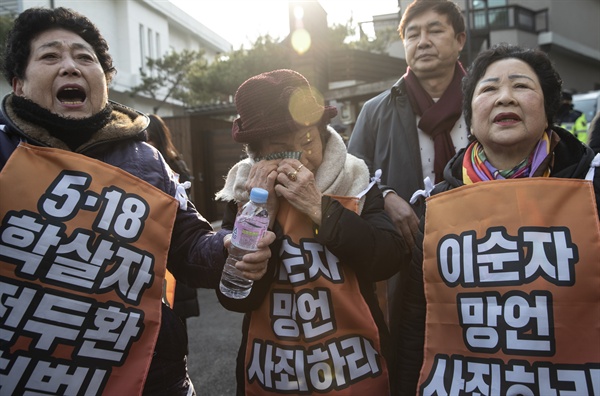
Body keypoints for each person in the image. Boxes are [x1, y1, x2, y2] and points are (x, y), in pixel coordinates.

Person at [0, 7, 274, 396]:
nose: (70, 67)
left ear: (105, 83)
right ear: (19, 84)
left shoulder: (147, 160)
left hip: (149, 380)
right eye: (50, 56)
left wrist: (228, 249)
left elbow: (188, 245)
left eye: (84, 57)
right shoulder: (4, 156)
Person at [403, 44, 600, 395]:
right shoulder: (436, 205)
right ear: (471, 114)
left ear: (548, 108)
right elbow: (417, 321)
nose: (505, 98)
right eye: (489, 89)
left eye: (522, 86)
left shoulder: (591, 191)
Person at [214, 69, 411, 395]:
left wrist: (319, 208)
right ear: (258, 154)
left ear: (323, 134)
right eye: (280, 149)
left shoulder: (355, 181)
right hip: (271, 371)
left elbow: (389, 257)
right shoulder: (243, 195)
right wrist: (264, 213)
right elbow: (234, 295)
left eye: (307, 141)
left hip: (355, 369)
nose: (301, 158)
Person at [346, 0, 468, 391]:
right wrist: (386, 197)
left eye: (435, 30)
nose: (423, 41)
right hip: (403, 256)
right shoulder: (374, 110)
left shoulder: (484, 101)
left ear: (460, 39)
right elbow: (347, 177)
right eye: (412, 34)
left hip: (476, 248)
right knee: (406, 350)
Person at [146, 114, 201, 329]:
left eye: (149, 140)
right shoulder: (128, 166)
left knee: (174, 326)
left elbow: (186, 215)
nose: (144, 146)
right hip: (148, 258)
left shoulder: (172, 167)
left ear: (158, 140)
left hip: (171, 256)